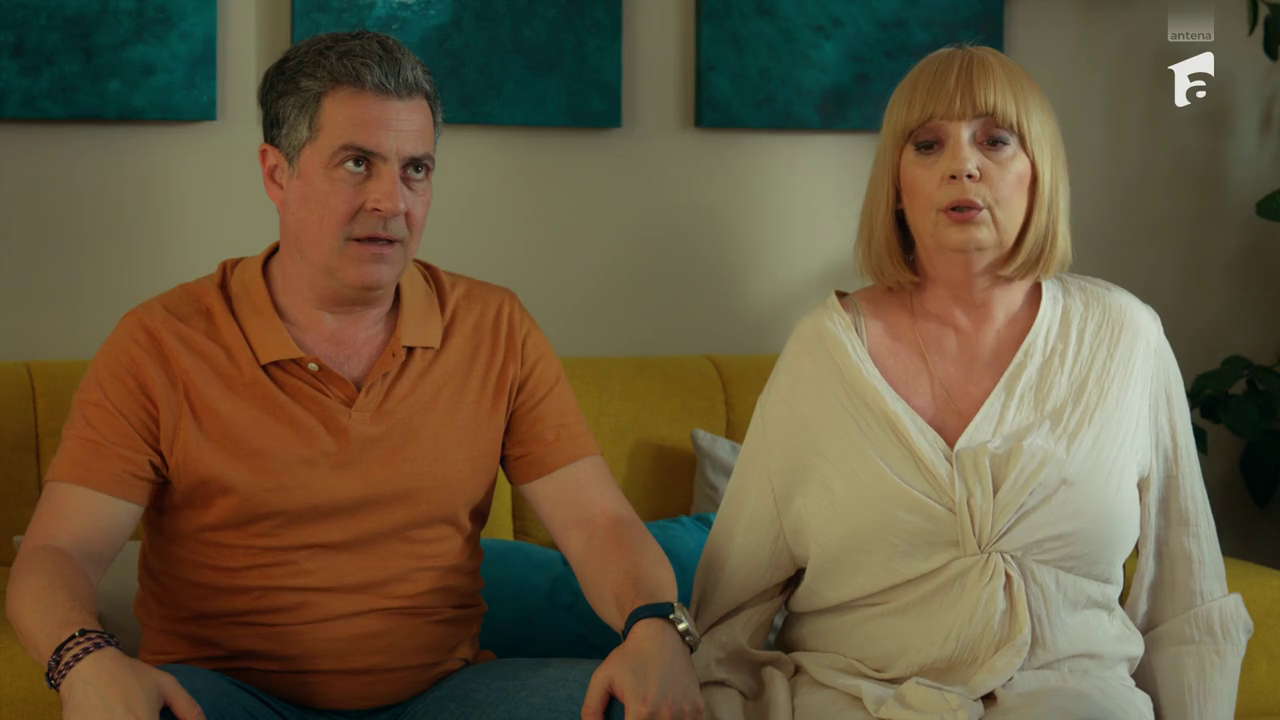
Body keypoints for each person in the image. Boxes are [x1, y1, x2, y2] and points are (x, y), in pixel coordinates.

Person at [5, 31, 704, 720]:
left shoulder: (495, 327)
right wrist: (82, 660)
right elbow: (59, 552)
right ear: (277, 173)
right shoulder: (160, 342)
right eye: (357, 163)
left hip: (445, 697)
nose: (391, 202)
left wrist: (655, 626)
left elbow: (598, 521)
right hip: (227, 699)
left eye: (415, 169)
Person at [688, 44, 1254, 720]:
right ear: (897, 187)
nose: (962, 164)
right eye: (928, 145)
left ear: (1040, 172)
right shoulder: (825, 351)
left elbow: (1184, 595)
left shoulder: (1124, 338)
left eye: (995, 140)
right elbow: (730, 611)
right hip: (854, 701)